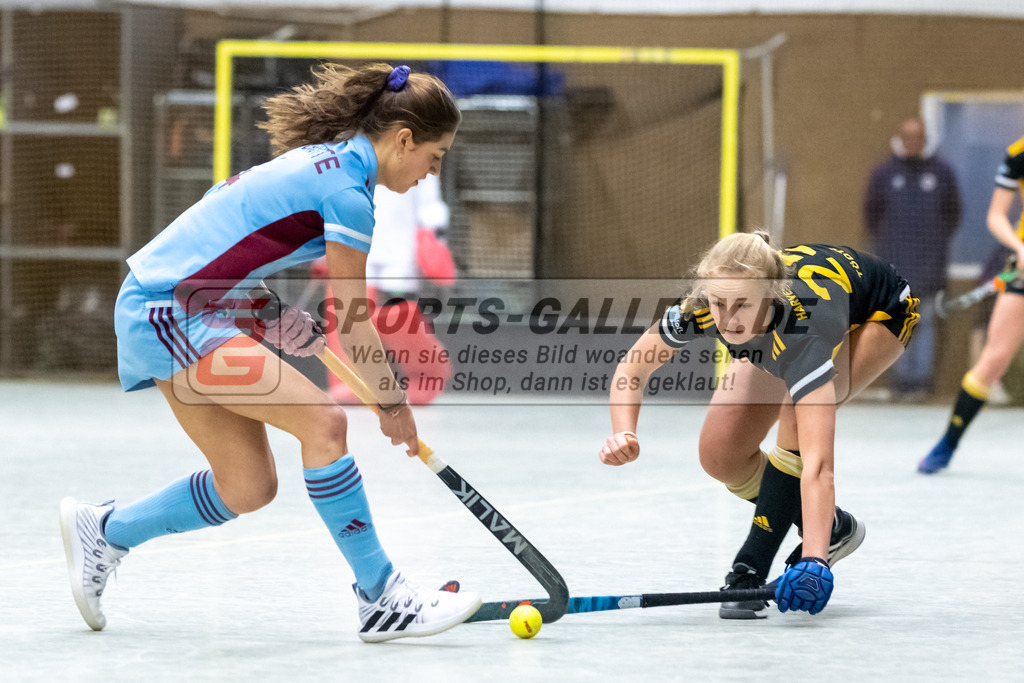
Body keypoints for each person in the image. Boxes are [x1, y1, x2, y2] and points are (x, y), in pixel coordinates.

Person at [58, 63, 482, 642]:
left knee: (247, 485)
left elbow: (222, 240)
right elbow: (353, 322)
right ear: (403, 138)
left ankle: (104, 532)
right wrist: (394, 404)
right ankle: (382, 596)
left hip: (177, 304)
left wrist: (271, 316)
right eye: (435, 156)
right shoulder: (347, 191)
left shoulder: (328, 165)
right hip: (167, 310)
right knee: (325, 423)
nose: (432, 173)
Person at [600, 232, 920, 618]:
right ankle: (835, 528)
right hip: (777, 330)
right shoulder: (702, 305)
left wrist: (815, 561)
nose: (728, 319)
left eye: (741, 305)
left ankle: (748, 569)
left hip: (878, 311)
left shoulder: (805, 333)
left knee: (795, 420)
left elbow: (818, 464)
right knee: (720, 454)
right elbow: (633, 367)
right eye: (719, 303)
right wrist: (623, 431)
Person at [918, 136, 1024, 474]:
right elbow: (996, 216)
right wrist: (1019, 249)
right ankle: (947, 444)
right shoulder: (1018, 153)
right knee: (994, 359)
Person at [864, 117, 961, 400]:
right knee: (897, 324)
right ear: (900, 138)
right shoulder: (884, 174)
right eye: (907, 136)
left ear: (924, 139)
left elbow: (952, 215)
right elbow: (872, 215)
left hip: (930, 266)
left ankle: (921, 383)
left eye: (917, 136)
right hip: (894, 269)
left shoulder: (942, 173)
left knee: (926, 323)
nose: (912, 142)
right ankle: (901, 382)